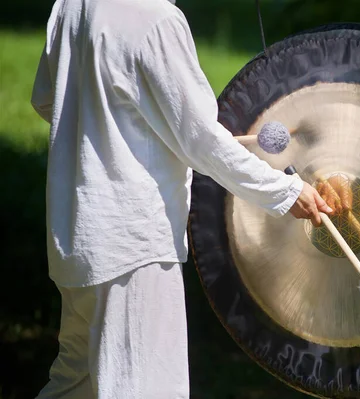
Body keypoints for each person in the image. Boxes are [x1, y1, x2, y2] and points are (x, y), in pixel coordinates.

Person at [31, 0, 333, 397]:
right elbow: (203, 142)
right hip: (133, 249)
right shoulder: (156, 19)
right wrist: (286, 190)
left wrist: (124, 127)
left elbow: (46, 100)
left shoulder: (71, 6)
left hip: (78, 241)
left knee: (73, 388)